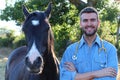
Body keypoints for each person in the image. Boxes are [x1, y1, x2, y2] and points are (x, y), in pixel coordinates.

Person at [60, 7, 118, 80]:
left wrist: (76, 76)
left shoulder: (110, 50)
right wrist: (97, 74)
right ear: (81, 24)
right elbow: (64, 77)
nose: (89, 24)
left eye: (93, 20)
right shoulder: (70, 51)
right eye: (85, 20)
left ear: (98, 23)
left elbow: (110, 78)